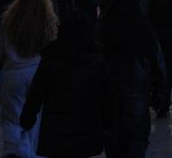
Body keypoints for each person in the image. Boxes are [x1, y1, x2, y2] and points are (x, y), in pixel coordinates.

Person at [21, 9, 111, 158]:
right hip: (87, 127)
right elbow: (107, 95)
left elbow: (37, 92)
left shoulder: (51, 56)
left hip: (56, 128)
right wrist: (109, 122)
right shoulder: (97, 60)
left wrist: (28, 117)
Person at [99, 0, 164, 158]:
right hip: (137, 99)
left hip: (110, 100)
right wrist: (159, 95)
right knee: (136, 141)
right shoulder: (143, 29)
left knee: (113, 142)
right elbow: (157, 64)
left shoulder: (105, 31)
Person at [0, 0, 59, 157]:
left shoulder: (8, 21)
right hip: (37, 72)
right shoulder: (48, 22)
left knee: (11, 119)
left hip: (12, 73)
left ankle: (13, 150)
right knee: (36, 119)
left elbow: (0, 51)